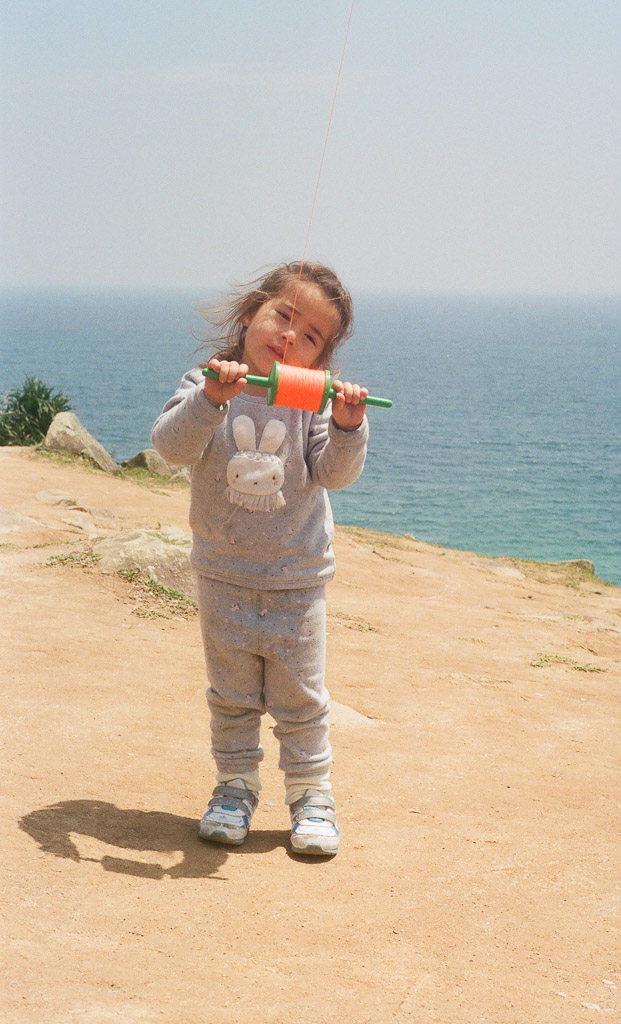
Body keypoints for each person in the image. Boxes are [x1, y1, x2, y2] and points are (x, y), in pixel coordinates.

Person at [151, 262, 369, 856]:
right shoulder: (204, 381)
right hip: (222, 575)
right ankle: (235, 788)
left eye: (311, 337)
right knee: (232, 697)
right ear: (252, 313)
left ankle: (310, 795)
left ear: (320, 361)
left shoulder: (311, 401)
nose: (290, 336)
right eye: (284, 316)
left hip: (296, 579)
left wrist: (349, 426)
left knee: (301, 699)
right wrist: (210, 401)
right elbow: (170, 448)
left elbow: (333, 474)